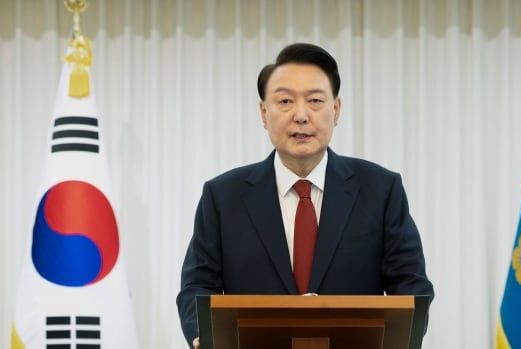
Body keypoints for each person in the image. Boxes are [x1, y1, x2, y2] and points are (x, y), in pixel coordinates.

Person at [176, 43, 434, 349]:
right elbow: (197, 287)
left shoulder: (380, 190)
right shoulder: (222, 196)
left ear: (336, 110)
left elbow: (411, 286)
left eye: (314, 101)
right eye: (285, 101)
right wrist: (202, 337)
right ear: (263, 112)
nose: (300, 115)